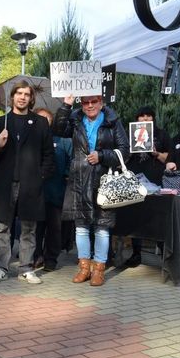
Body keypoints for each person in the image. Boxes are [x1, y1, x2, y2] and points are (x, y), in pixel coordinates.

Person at [53, 94, 129, 286]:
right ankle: (84, 267)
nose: (89, 105)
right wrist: (66, 106)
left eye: (94, 101)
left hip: (103, 179)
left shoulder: (113, 121)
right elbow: (58, 129)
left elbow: (125, 150)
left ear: (101, 102)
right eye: (85, 102)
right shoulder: (75, 118)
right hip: (79, 179)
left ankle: (98, 269)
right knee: (81, 227)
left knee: (102, 226)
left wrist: (102, 155)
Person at [0, 81, 54, 285]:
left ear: (31, 98)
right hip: (5, 184)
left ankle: (26, 268)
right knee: (2, 228)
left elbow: (49, 155)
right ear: (12, 97)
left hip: (30, 184)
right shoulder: (1, 122)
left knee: (29, 228)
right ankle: (1, 267)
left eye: (26, 94)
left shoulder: (40, 123)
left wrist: (39, 177)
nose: (23, 97)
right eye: (19, 93)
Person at [124, 106, 171, 267]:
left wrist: (156, 154)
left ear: (153, 118)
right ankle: (136, 254)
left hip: (155, 181)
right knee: (136, 217)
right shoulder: (129, 133)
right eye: (141, 116)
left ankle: (165, 255)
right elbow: (121, 158)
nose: (144, 119)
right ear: (136, 119)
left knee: (157, 217)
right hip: (135, 180)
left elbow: (170, 159)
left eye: (148, 116)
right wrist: (129, 151)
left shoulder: (162, 134)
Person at [33, 107, 73, 272]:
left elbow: (72, 162)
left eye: (46, 120)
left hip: (56, 192)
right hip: (35, 193)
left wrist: (66, 174)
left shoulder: (64, 142)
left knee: (54, 229)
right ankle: (36, 256)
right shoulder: (30, 143)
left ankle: (51, 259)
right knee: (35, 228)